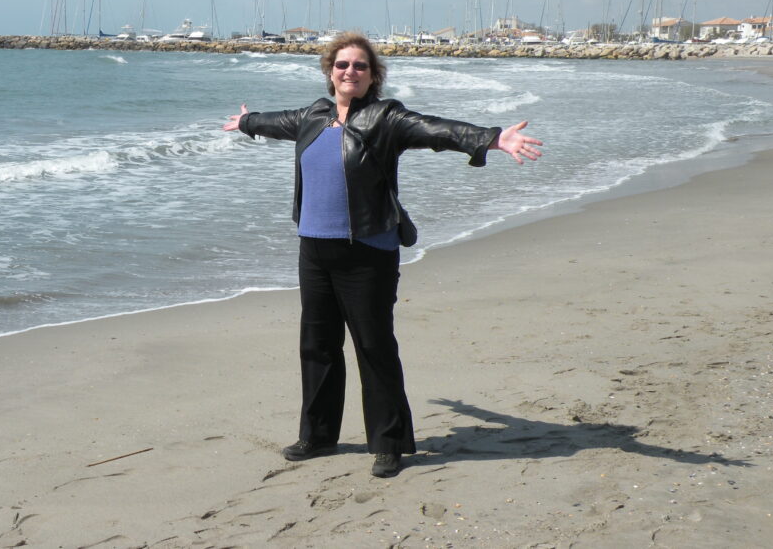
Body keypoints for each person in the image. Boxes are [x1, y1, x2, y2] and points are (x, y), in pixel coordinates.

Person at [222, 32, 542, 477]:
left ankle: (389, 442)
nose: (349, 71)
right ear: (328, 70)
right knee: (317, 346)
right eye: (342, 65)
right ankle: (317, 435)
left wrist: (490, 138)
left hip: (368, 252)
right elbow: (275, 123)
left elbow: (434, 129)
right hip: (314, 250)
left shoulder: (385, 117)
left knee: (373, 347)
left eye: (359, 66)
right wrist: (246, 122)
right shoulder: (313, 115)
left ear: (373, 76)